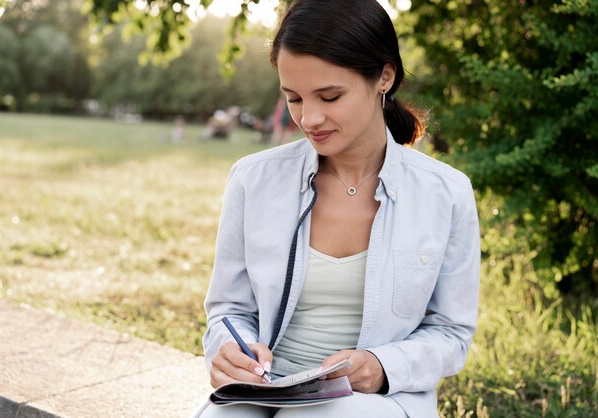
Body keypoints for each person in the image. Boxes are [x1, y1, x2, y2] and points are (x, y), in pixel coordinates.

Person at [195, 1, 480, 417]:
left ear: (385, 76)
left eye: (330, 96)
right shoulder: (252, 179)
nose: (309, 118)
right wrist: (228, 350)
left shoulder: (446, 194)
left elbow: (451, 333)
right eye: (293, 98)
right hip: (261, 391)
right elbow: (230, 310)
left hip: (377, 401)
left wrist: (384, 366)